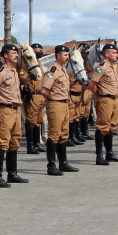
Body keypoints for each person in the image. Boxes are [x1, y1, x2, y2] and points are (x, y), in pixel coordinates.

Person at [0, 43, 28, 187]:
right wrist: (0, 105)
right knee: (2, 142)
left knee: (15, 141)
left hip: (16, 110)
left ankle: (12, 174)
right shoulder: (1, 72)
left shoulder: (14, 71)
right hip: (5, 110)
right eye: (13, 53)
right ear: (5, 55)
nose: (16, 55)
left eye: (17, 53)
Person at [40, 45, 78, 176]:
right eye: (65, 55)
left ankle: (63, 163)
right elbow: (44, 90)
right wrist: (52, 101)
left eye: (68, 55)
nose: (67, 57)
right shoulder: (53, 70)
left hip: (65, 104)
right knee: (54, 134)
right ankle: (51, 165)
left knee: (63, 134)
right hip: (55, 104)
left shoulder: (63, 70)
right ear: (58, 56)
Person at [88, 43, 118, 165]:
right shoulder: (101, 66)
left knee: (112, 126)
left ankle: (110, 153)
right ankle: (99, 155)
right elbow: (92, 83)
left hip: (114, 99)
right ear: (107, 54)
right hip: (105, 100)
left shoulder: (114, 66)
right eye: (114, 53)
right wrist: (98, 95)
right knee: (102, 126)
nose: (117, 55)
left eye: (117, 53)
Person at [21, 43, 46, 154]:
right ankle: (30, 145)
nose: (38, 53)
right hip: (32, 94)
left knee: (38, 120)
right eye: (36, 51)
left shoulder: (38, 64)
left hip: (40, 95)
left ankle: (37, 143)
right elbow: (23, 77)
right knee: (31, 120)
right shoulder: (27, 65)